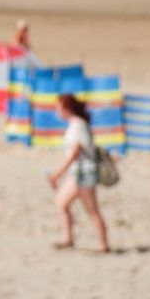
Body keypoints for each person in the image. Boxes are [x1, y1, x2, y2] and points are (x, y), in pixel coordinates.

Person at [47, 93, 111, 252]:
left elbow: (76, 152)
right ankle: (68, 239)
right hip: (77, 173)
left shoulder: (79, 126)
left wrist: (58, 173)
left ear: (67, 109)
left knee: (92, 210)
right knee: (61, 203)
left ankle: (103, 245)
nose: (57, 112)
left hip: (85, 173)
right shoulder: (73, 125)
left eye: (59, 108)